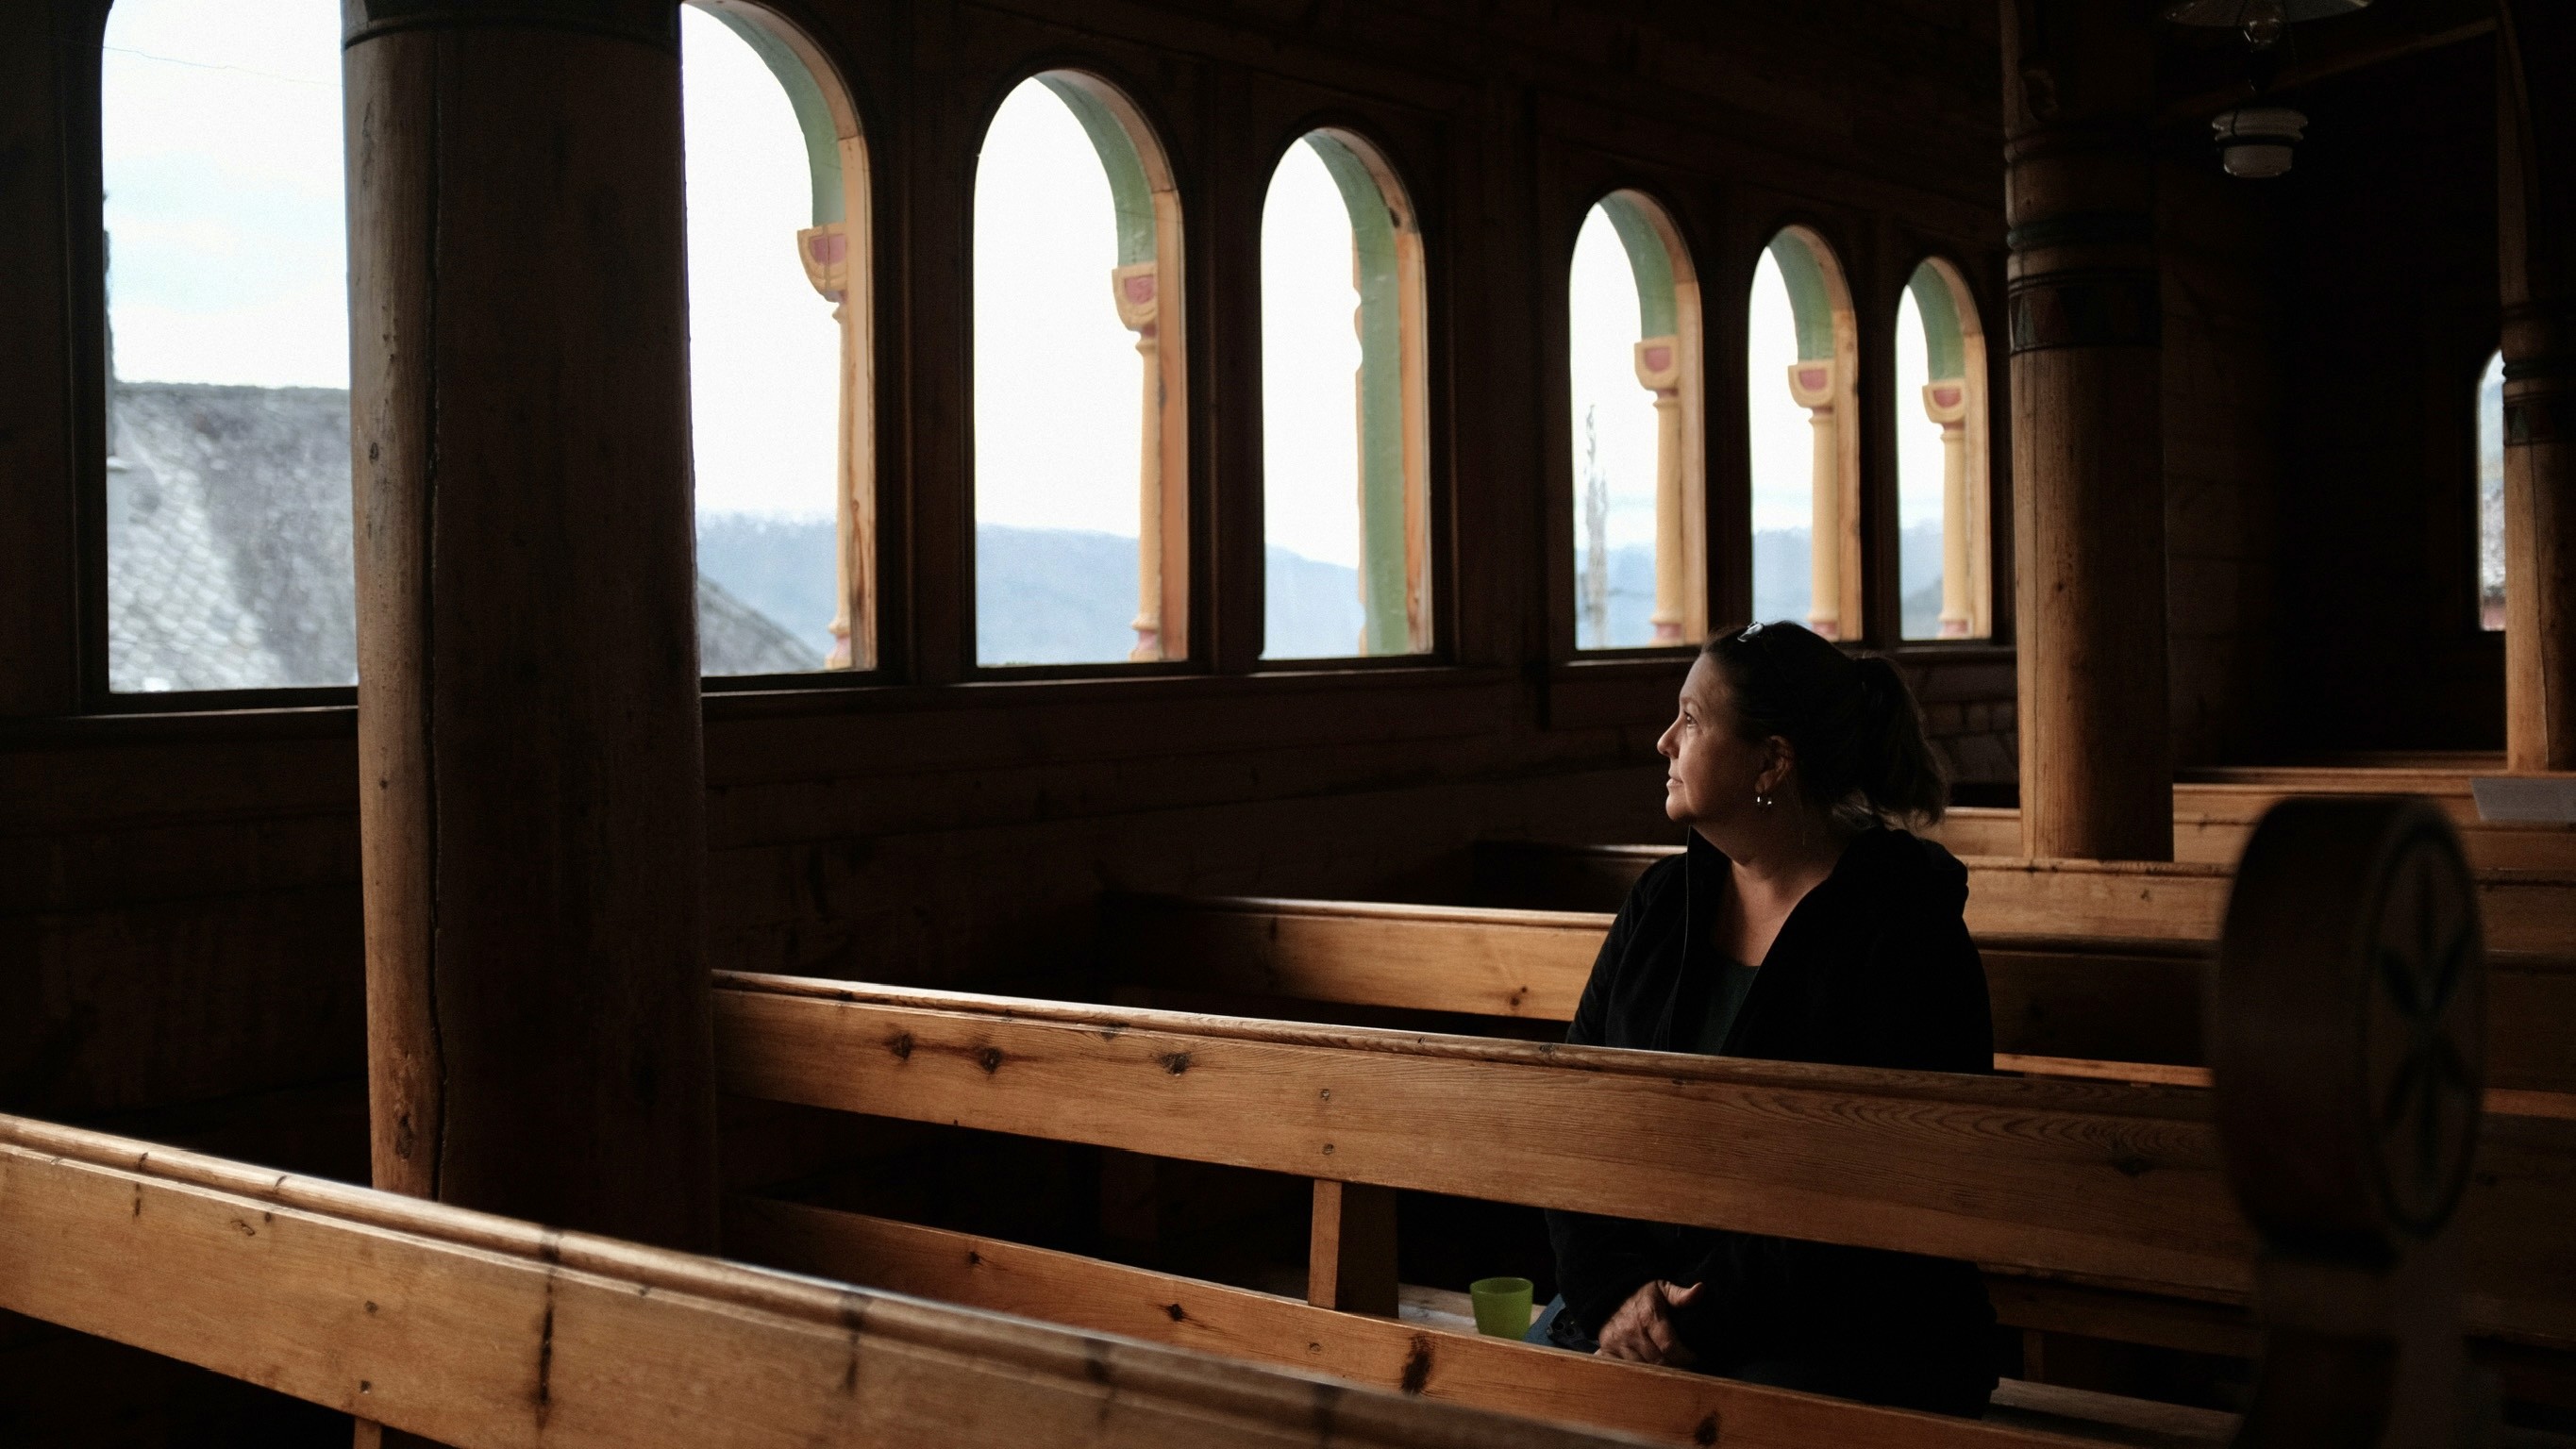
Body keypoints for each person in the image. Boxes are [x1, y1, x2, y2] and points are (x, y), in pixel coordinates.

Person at [1530, 620, 1998, 1416]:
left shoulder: (1901, 927)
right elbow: (1576, 1117)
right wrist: (1616, 1296)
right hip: (1641, 1305)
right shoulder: (1660, 906)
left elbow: (1882, 1178)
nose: (1664, 741)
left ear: (1773, 761)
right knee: (1508, 1403)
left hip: (1844, 1321)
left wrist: (1695, 1318)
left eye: (1692, 719)